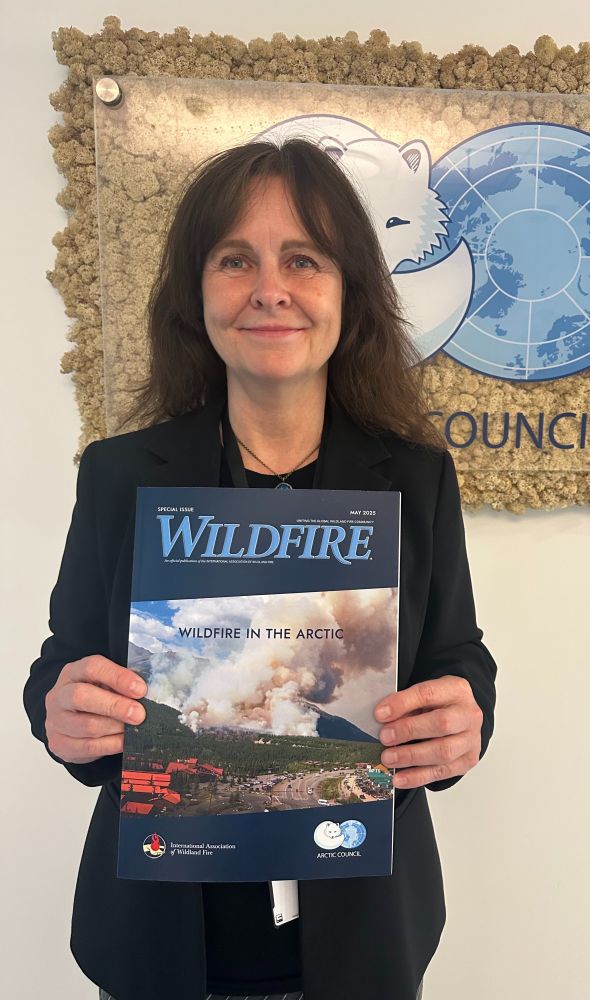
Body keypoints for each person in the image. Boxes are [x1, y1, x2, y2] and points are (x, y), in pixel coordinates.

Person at [23, 138, 498, 1000]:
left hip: (362, 938)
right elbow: (65, 663)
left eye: (303, 259)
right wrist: (64, 714)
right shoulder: (123, 474)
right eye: (235, 259)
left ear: (349, 293)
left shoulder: (414, 475)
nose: (270, 289)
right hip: (163, 941)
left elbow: (456, 656)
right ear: (195, 293)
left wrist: (464, 720)